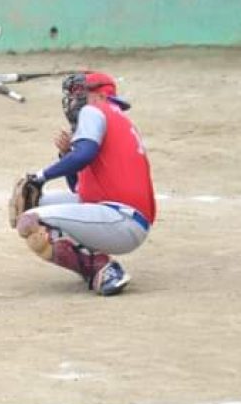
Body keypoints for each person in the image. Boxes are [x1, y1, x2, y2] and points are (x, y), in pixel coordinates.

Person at [13, 71, 156, 296]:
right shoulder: (114, 119)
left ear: (100, 96)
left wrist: (40, 176)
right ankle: (95, 262)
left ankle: (102, 268)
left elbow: (84, 155)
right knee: (32, 204)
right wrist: (67, 154)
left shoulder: (95, 111)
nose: (73, 102)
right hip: (119, 216)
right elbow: (79, 189)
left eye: (81, 94)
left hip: (121, 220)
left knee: (29, 221)